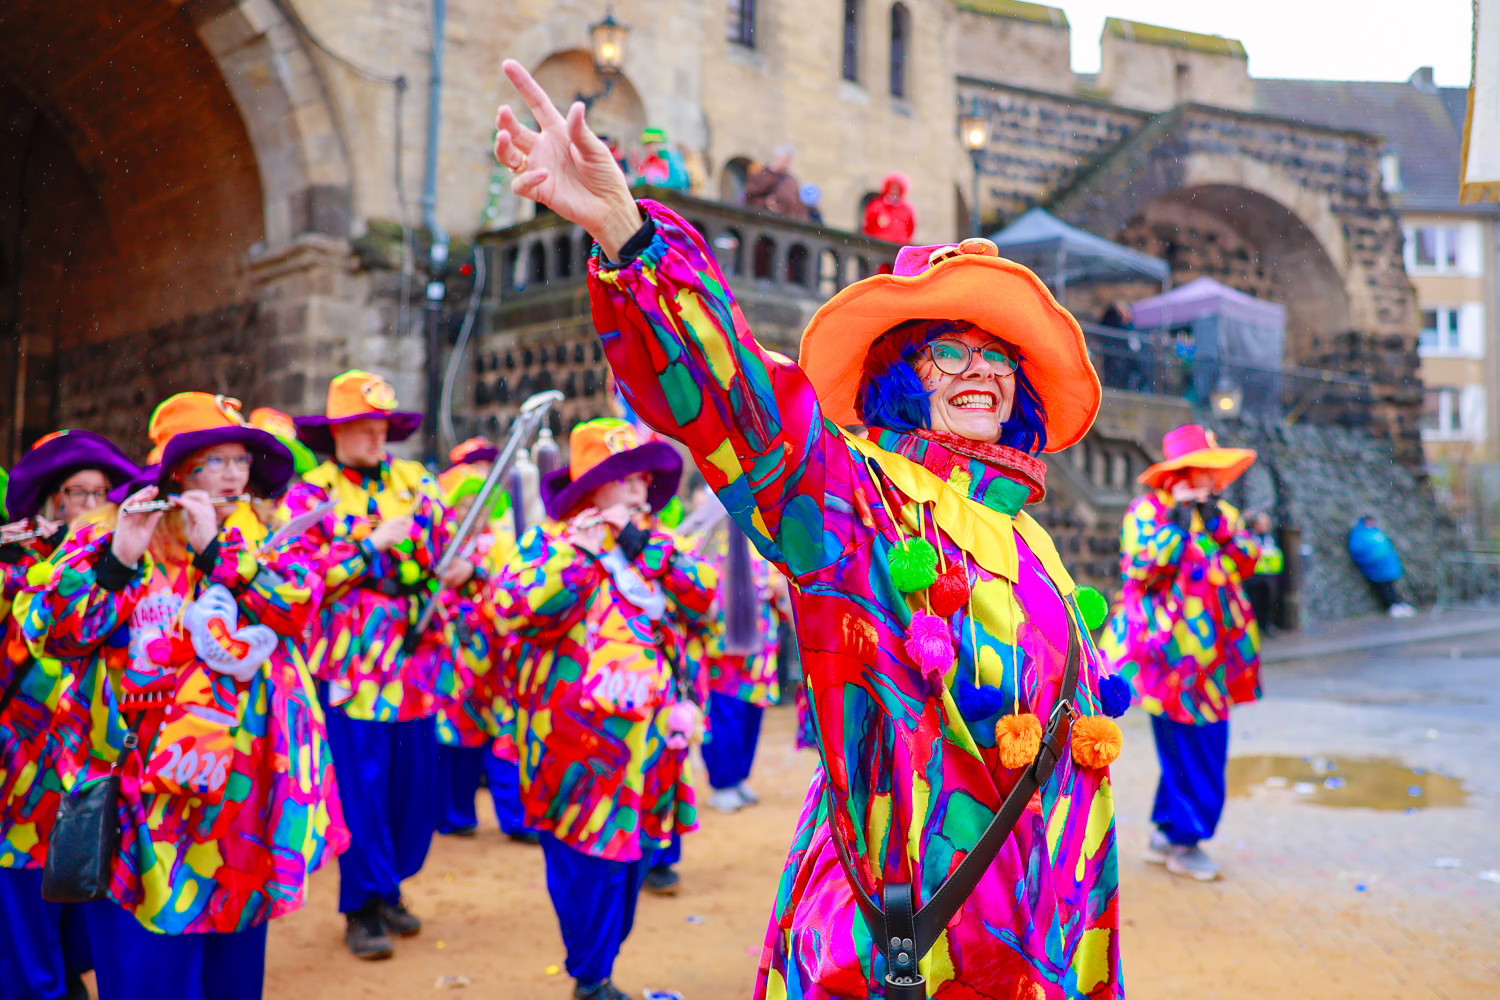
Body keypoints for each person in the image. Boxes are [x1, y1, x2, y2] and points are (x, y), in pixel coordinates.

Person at [494, 59, 1124, 998]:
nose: (980, 371)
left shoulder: (1027, 534)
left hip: (1042, 922)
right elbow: (749, 417)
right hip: (912, 927)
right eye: (948, 353)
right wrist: (628, 237)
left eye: (998, 356)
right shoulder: (864, 493)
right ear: (902, 381)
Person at [12, 393, 346, 999]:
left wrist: (220, 552)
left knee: (232, 976)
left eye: (239, 459)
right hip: (141, 804)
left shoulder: (268, 540)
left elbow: (301, 609)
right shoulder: (106, 537)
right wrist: (117, 562)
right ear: (175, 472)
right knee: (147, 974)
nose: (232, 474)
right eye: (211, 460)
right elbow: (46, 632)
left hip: (241, 803)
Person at [494, 418, 716, 1000]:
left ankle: (601, 967)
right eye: (623, 478)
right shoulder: (550, 543)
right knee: (582, 859)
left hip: (651, 743)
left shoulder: (656, 542)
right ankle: (591, 976)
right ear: (592, 488)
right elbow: (516, 608)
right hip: (573, 746)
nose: (639, 490)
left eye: (643, 478)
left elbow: (705, 598)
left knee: (635, 858)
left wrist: (650, 554)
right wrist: (586, 553)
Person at [282, 370, 479, 961]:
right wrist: (368, 547)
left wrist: (461, 568)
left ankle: (390, 886)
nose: (375, 437)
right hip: (349, 667)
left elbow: (451, 546)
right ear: (337, 431)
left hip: (416, 661)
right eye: (362, 427)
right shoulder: (309, 495)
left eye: (381, 427)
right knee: (360, 790)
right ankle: (361, 907)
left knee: (413, 790)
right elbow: (298, 577)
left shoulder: (416, 481)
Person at [0, 431, 139, 1000]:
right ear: (50, 500)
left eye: (101, 492)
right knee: (24, 877)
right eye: (76, 493)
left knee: (83, 865)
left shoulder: (127, 560)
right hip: (20, 754)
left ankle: (70, 977)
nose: (90, 505)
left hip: (88, 752)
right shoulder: (17, 563)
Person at [1097, 424, 1262, 882]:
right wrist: (1176, 522)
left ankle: (1170, 833)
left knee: (1192, 747)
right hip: (1165, 659)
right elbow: (1143, 568)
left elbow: (1252, 562)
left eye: (1214, 473)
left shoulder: (1222, 514)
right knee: (1196, 747)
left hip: (1217, 661)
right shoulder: (1146, 512)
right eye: (1204, 472)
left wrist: (1217, 526)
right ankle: (1186, 840)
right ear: (1180, 473)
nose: (1213, 482)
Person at [697, 523, 781, 815]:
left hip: (759, 654)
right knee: (723, 718)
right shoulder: (706, 541)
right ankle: (723, 783)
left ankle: (739, 778)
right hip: (722, 656)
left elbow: (777, 591)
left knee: (750, 718)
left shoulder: (762, 540)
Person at [1347, 514, 1414, 617]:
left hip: (1386, 565)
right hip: (1375, 567)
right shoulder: (1360, 534)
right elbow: (1357, 550)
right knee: (1383, 587)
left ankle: (1397, 603)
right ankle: (1390, 605)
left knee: (1390, 585)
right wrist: (1371, 559)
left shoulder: (1375, 532)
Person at [742, 145, 810, 221]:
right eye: (785, 159)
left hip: (786, 223)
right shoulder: (764, 174)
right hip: (764, 220)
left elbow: (799, 205)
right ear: (778, 158)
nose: (787, 162)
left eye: (789, 160)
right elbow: (750, 196)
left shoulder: (791, 181)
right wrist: (765, 203)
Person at [1243, 512, 1284, 636]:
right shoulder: (1249, 537)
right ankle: (1254, 628)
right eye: (1263, 523)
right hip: (1253, 576)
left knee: (1267, 603)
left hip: (1268, 576)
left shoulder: (1269, 538)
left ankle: (1266, 626)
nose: (1267, 526)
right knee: (1254, 602)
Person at [860, 171, 917, 244]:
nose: (894, 191)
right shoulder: (877, 206)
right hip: (877, 246)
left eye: (897, 189)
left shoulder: (907, 210)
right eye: (892, 188)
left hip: (896, 248)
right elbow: (868, 227)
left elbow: (910, 230)